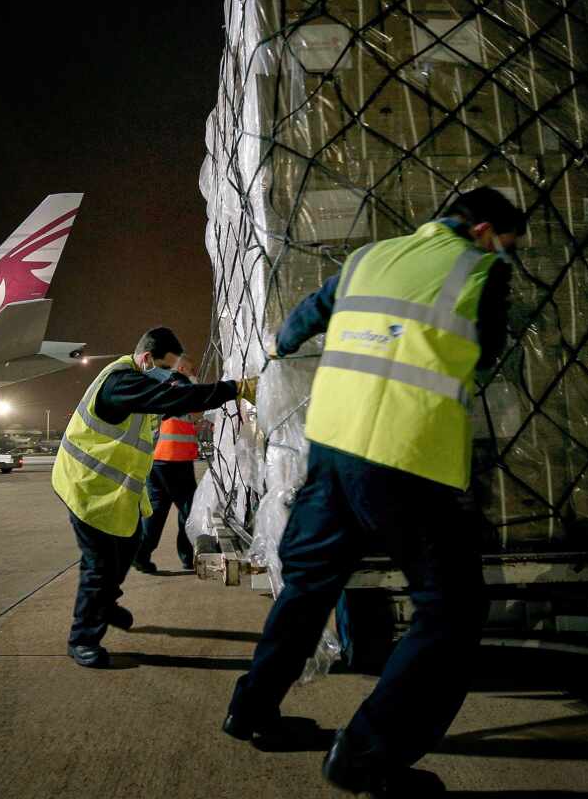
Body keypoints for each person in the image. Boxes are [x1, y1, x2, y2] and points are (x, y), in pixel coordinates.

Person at [223, 187, 524, 795]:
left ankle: (251, 712)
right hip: (409, 460)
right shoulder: (481, 269)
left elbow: (298, 324)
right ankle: (368, 755)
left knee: (309, 587)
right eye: (508, 244)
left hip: (331, 452)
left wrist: (283, 348)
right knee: (452, 610)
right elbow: (487, 354)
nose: (507, 255)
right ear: (485, 230)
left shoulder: (368, 258)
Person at [53, 327, 257, 668]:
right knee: (99, 567)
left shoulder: (138, 383)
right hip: (87, 487)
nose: (170, 375)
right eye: (167, 368)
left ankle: (104, 604)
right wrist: (235, 389)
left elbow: (172, 400)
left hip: (113, 492)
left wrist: (187, 384)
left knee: (130, 545)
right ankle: (83, 639)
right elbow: (173, 399)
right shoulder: (121, 383)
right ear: (148, 360)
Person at [131, 354, 202, 574]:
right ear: (180, 367)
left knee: (156, 511)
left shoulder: (160, 387)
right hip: (175, 460)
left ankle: (140, 556)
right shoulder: (180, 386)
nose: (193, 372)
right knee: (190, 511)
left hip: (157, 459)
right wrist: (194, 380)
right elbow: (199, 407)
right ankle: (188, 556)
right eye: (190, 368)